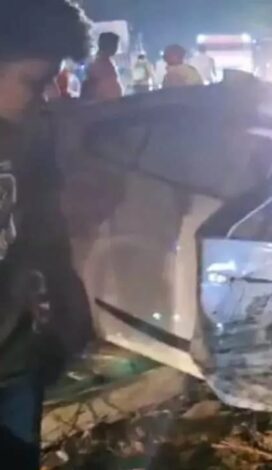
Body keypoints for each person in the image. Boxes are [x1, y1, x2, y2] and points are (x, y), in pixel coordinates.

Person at [0, 1, 93, 467]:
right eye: (34, 82)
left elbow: (45, 230)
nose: (45, 98)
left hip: (15, 363)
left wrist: (67, 307)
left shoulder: (32, 137)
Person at [81, 32, 123, 101]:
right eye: (115, 45)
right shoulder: (99, 64)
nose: (116, 48)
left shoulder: (105, 62)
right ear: (109, 45)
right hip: (106, 103)